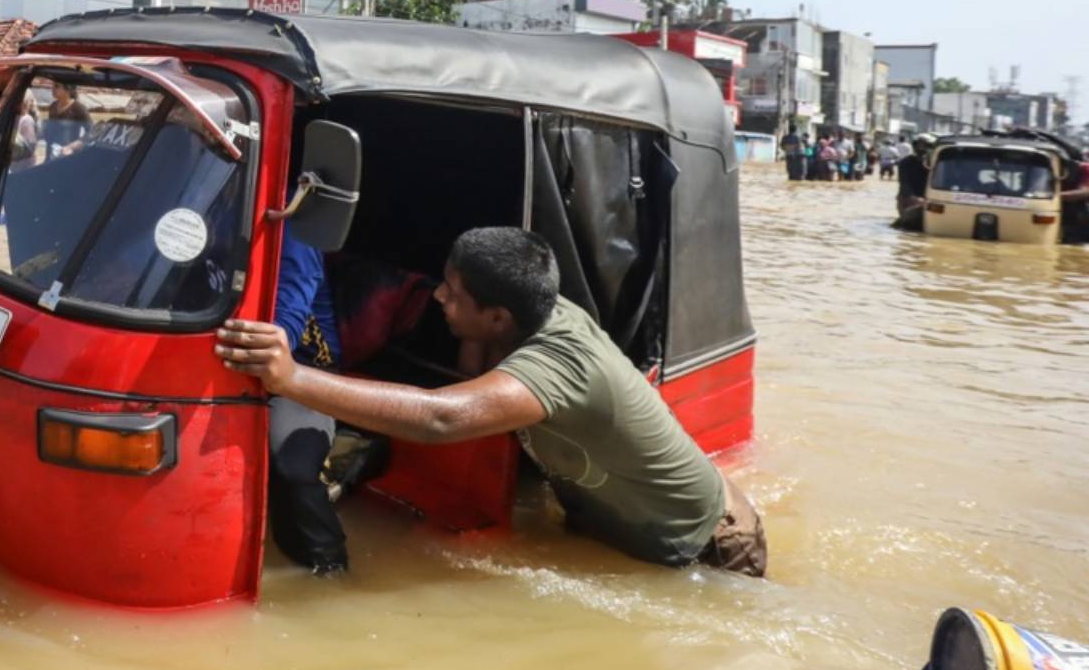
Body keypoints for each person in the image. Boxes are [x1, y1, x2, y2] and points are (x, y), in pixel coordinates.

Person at [215, 227, 767, 578]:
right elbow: (472, 374)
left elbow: (442, 416)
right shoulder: (536, 313)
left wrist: (288, 377)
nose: (436, 298)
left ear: (500, 316)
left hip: (709, 547)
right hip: (626, 527)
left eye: (453, 296)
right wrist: (471, 324)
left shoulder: (557, 362)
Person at [267, 230, 349, 575]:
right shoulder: (195, 194)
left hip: (301, 369)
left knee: (294, 470)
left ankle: (331, 572)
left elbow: (286, 323)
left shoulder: (297, 224)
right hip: (221, 357)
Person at [893, 133, 934, 231]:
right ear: (915, 146)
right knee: (904, 226)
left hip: (928, 199)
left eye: (925, 146)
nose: (922, 149)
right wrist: (914, 198)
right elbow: (904, 183)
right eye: (919, 145)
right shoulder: (905, 163)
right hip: (908, 198)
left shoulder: (935, 164)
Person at [42, 80, 92, 159]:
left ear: (68, 89)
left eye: (57, 86)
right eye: (53, 86)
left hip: (68, 157)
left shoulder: (79, 108)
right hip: (51, 155)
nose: (52, 89)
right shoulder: (53, 106)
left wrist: (71, 147)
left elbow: (91, 132)